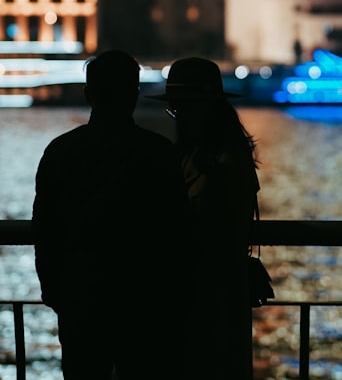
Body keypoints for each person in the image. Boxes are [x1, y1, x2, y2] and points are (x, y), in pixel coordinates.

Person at [31, 50, 189, 380]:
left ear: (89, 94)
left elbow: (45, 230)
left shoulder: (61, 152)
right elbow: (177, 231)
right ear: (135, 93)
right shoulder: (158, 152)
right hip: (143, 299)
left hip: (81, 295)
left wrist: (55, 290)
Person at [148, 57, 261, 380]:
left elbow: (195, 228)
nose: (177, 118)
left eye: (180, 109)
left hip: (201, 300)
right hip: (223, 295)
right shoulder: (230, 156)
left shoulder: (208, 163)